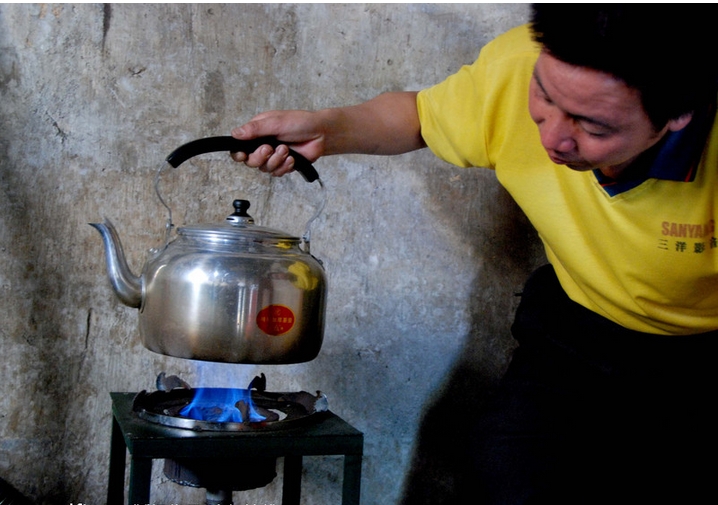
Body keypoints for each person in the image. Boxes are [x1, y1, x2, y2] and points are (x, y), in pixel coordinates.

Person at [231, 5, 718, 504]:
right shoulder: (519, 62)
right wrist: (328, 128)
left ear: (680, 114)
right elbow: (420, 116)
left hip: (702, 353)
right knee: (505, 478)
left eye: (593, 128)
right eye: (544, 97)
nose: (551, 137)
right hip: (579, 331)